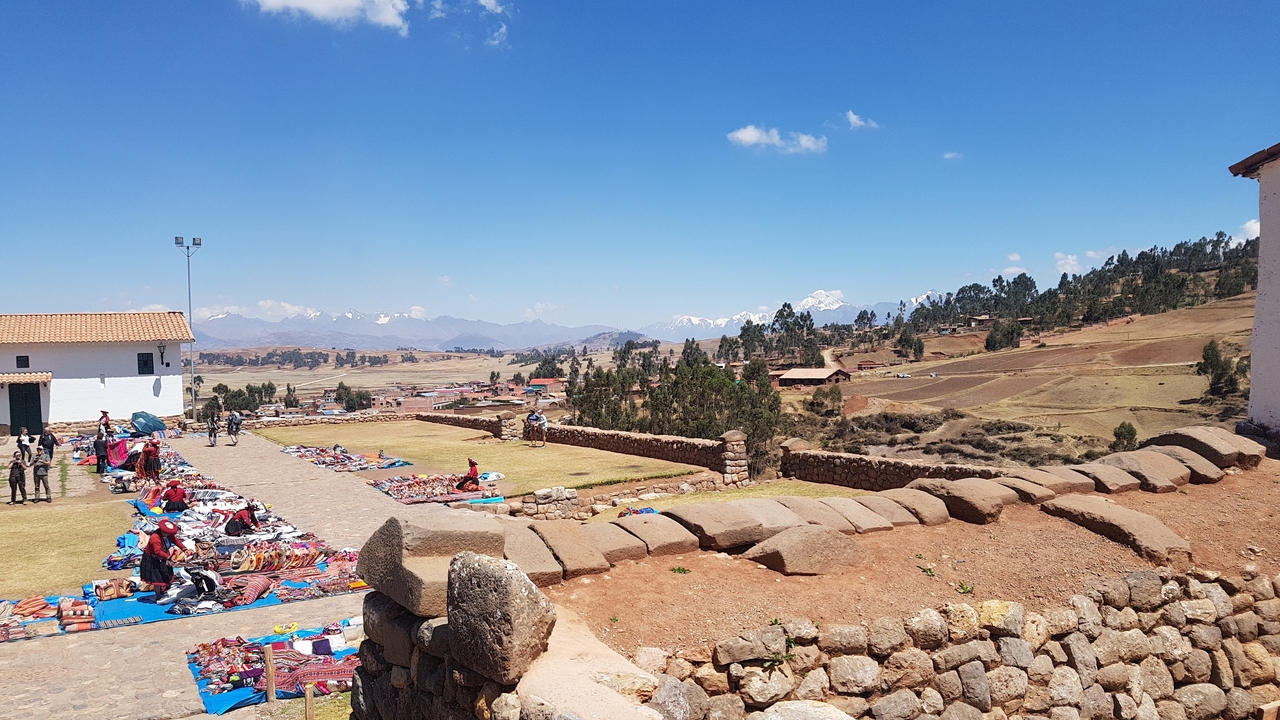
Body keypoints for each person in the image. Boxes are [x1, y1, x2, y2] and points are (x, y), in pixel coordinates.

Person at [140, 519, 180, 602]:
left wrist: (184, 548)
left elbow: (175, 540)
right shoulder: (155, 538)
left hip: (163, 556)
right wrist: (168, 557)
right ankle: (158, 596)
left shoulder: (167, 535)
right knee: (157, 578)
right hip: (153, 559)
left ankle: (165, 590)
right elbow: (157, 551)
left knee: (166, 574)